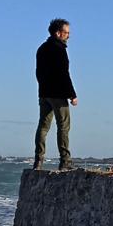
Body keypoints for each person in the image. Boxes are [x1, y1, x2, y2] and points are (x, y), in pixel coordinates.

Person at [34, 18, 78, 170]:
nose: (68, 36)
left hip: (44, 93)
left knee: (43, 126)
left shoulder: (41, 48)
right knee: (63, 126)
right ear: (58, 33)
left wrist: (42, 88)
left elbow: (38, 73)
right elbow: (64, 74)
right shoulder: (59, 49)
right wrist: (72, 95)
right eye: (66, 33)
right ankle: (65, 160)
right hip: (58, 94)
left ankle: (38, 160)